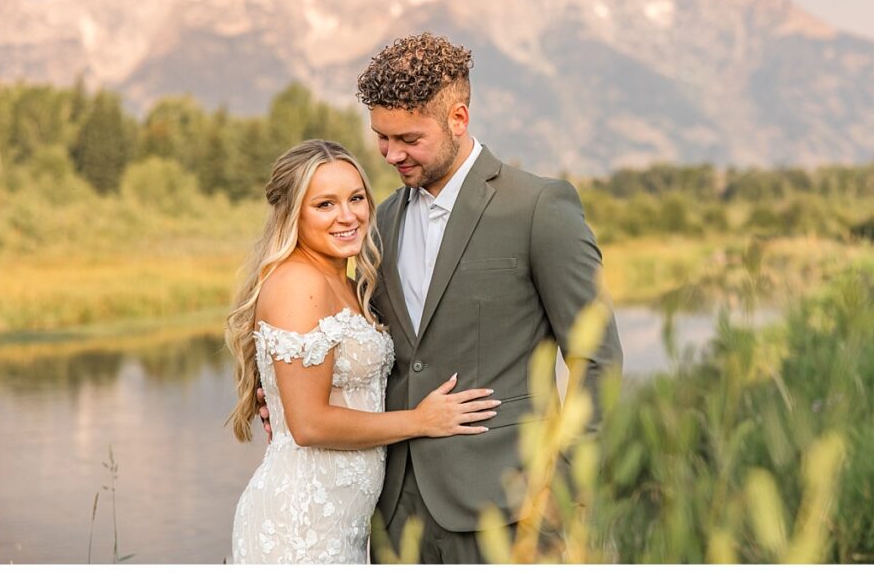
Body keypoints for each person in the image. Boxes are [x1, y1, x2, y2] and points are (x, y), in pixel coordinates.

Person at [260, 33, 623, 563]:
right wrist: (269, 390)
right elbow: (314, 318)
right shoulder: (375, 221)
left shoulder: (539, 207)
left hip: (510, 507)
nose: (390, 154)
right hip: (390, 511)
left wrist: (564, 490)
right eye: (381, 138)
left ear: (458, 118)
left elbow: (598, 358)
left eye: (407, 138)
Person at [226, 140, 500, 564]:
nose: (347, 216)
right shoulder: (299, 283)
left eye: (356, 198)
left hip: (344, 524)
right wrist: (421, 421)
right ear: (292, 213)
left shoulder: (352, 283)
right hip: (301, 524)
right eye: (324, 204)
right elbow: (309, 425)